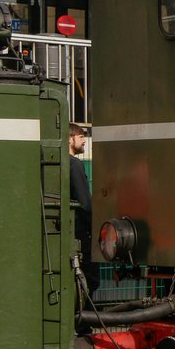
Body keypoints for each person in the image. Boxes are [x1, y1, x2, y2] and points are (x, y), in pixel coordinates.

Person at [69, 122, 100, 295]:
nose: (84, 141)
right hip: (82, 233)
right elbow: (85, 203)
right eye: (81, 136)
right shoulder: (75, 165)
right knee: (91, 281)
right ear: (69, 139)